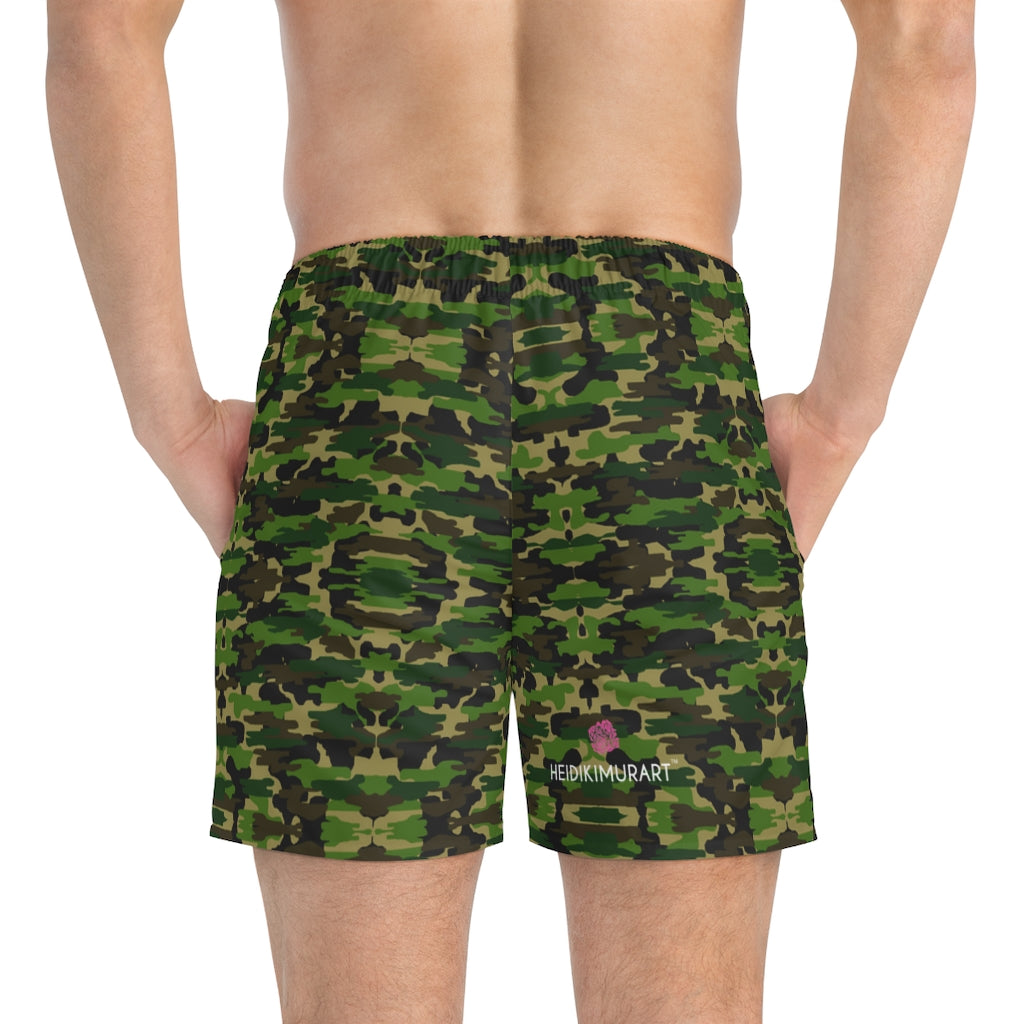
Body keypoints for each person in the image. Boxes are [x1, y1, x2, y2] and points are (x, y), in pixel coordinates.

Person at [45, 1, 975, 1021]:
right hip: (657, 379)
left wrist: (169, 414)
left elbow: (100, 29)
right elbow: (923, 33)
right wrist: (840, 414)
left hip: (372, 382)